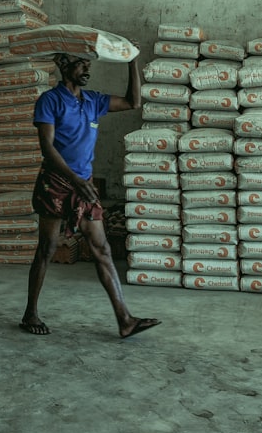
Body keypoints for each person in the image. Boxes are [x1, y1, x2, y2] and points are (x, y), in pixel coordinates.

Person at [20, 51, 161, 339]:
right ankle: (30, 313)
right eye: (80, 63)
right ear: (62, 65)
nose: (86, 69)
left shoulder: (93, 101)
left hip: (82, 185)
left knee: (102, 249)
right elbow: (47, 148)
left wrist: (132, 61)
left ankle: (125, 319)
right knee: (46, 249)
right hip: (57, 183)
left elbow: (134, 102)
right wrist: (74, 179)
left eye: (89, 64)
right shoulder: (50, 100)